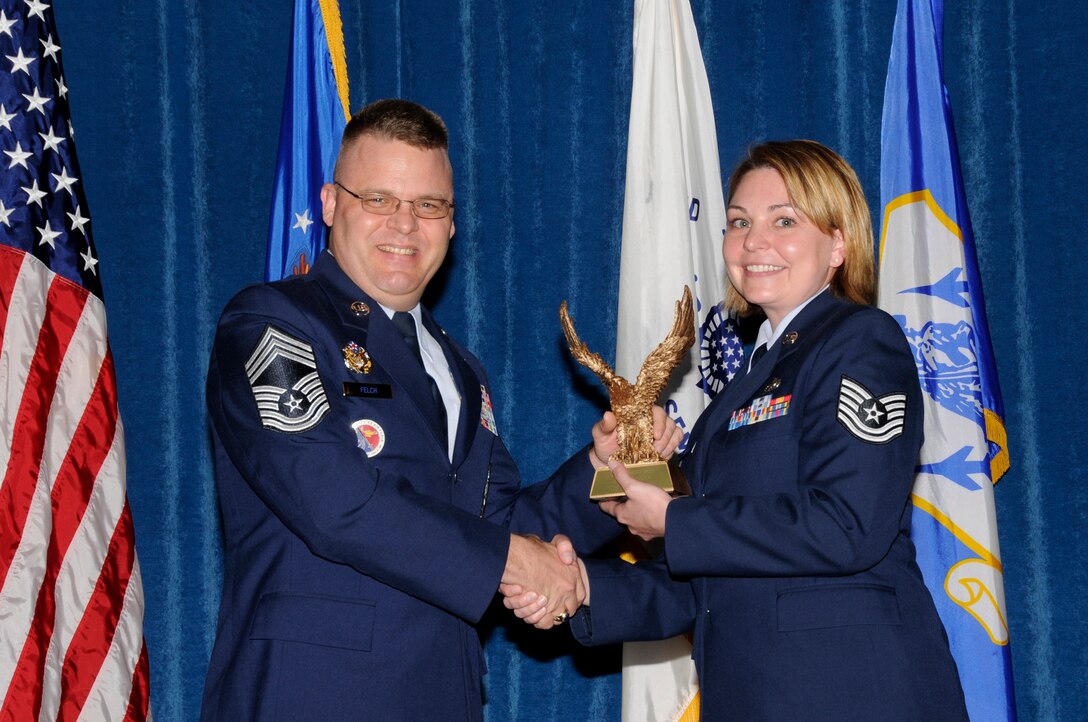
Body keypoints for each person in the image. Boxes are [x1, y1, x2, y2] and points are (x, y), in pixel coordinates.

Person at [201, 98, 679, 721]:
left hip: (442, 694)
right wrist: (513, 561)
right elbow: (333, 499)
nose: (404, 225)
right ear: (329, 204)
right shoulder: (272, 323)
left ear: (451, 225)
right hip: (311, 694)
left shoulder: (459, 368)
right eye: (378, 199)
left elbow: (497, 517)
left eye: (428, 206)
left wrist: (605, 469)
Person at [506, 140, 968, 720]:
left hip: (852, 693)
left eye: (784, 220)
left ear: (839, 243)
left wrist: (673, 519)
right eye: (739, 222)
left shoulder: (860, 341)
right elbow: (699, 585)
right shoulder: (746, 386)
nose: (754, 241)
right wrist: (577, 588)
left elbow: (848, 524)